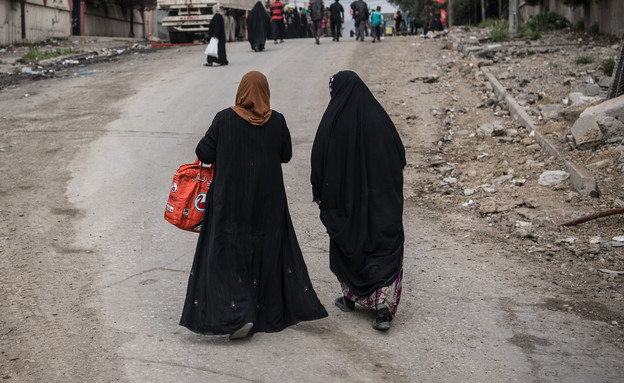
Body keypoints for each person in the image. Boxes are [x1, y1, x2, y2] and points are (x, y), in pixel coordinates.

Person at [180, 71, 328, 340]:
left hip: (231, 201)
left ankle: (239, 314)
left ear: (242, 91)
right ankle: (262, 310)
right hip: (268, 202)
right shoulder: (277, 121)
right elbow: (286, 154)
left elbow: (204, 152)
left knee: (230, 255)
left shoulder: (225, 118)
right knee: (266, 252)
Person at [310, 70, 406, 331]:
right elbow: (400, 157)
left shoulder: (332, 121)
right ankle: (382, 307)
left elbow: (318, 160)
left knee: (349, 244)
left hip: (346, 205)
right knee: (383, 247)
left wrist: (320, 194)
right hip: (382, 204)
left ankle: (351, 298)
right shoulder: (379, 117)